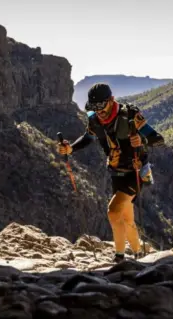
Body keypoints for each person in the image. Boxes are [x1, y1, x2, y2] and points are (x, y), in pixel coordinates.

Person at [58, 83, 165, 263]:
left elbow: (158, 139)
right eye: (94, 107)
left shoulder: (130, 115)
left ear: (112, 100)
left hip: (136, 172)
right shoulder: (95, 120)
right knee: (126, 217)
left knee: (114, 212)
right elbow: (88, 138)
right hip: (116, 172)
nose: (99, 110)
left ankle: (119, 258)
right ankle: (139, 254)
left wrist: (142, 140)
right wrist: (70, 149)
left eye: (102, 105)